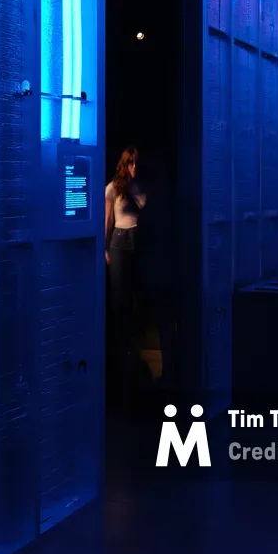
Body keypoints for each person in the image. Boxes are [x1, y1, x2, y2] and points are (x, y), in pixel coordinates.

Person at [106, 147, 147, 382]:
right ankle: (121, 346)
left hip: (139, 237)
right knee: (119, 294)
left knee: (138, 293)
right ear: (124, 164)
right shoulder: (114, 188)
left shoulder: (142, 187)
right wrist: (103, 247)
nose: (134, 167)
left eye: (136, 163)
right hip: (120, 239)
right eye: (130, 163)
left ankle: (135, 344)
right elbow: (108, 219)